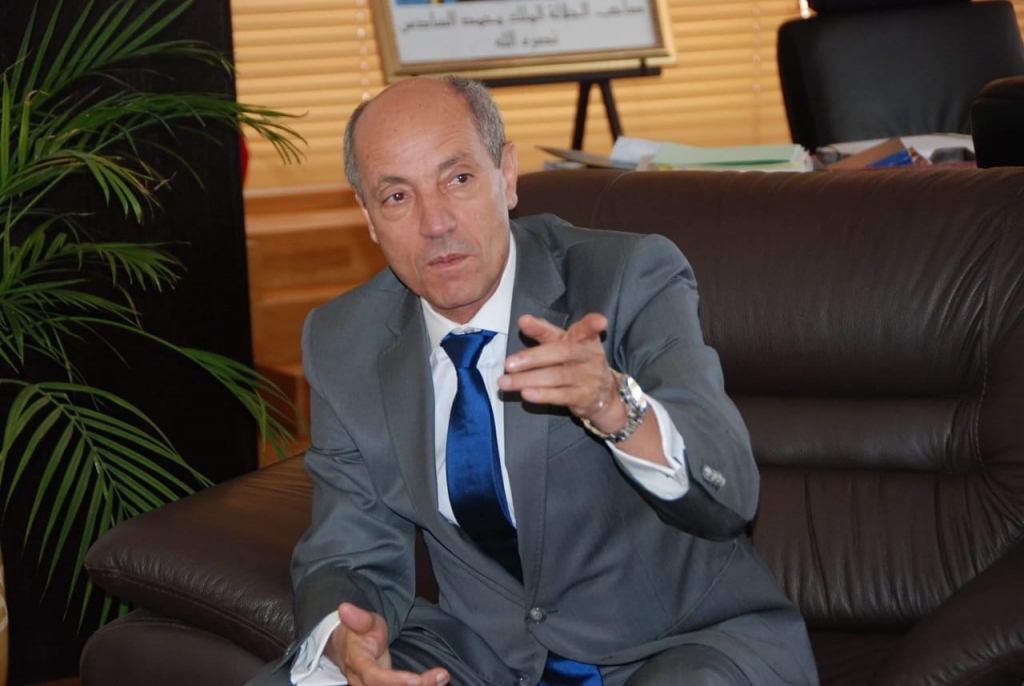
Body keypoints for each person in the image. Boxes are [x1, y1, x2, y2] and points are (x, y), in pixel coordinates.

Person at [251, 75, 818, 686]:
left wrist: (614, 405)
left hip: (677, 644)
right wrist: (344, 640)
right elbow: (349, 549)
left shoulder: (626, 277)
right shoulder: (344, 339)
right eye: (396, 196)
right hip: (485, 659)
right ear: (367, 216)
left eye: (458, 179)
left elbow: (730, 490)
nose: (435, 222)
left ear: (507, 174)